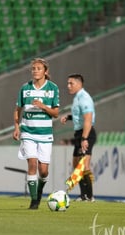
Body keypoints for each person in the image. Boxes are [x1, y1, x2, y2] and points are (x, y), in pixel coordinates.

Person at [12, 58, 60, 209]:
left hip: (45, 133)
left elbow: (56, 113)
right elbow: (17, 109)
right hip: (28, 131)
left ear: (45, 71)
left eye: (39, 68)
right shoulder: (25, 88)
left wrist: (43, 106)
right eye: (33, 68)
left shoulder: (53, 88)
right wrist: (16, 126)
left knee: (43, 171)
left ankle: (39, 191)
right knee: (32, 163)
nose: (35, 71)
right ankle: (34, 201)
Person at [60, 73, 96, 202]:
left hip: (86, 134)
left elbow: (88, 119)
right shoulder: (77, 98)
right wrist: (68, 117)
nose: (68, 86)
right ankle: (83, 195)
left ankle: (90, 196)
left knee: (84, 165)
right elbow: (79, 115)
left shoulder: (85, 98)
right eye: (68, 83)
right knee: (76, 165)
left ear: (79, 84)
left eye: (71, 83)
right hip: (79, 134)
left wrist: (84, 138)